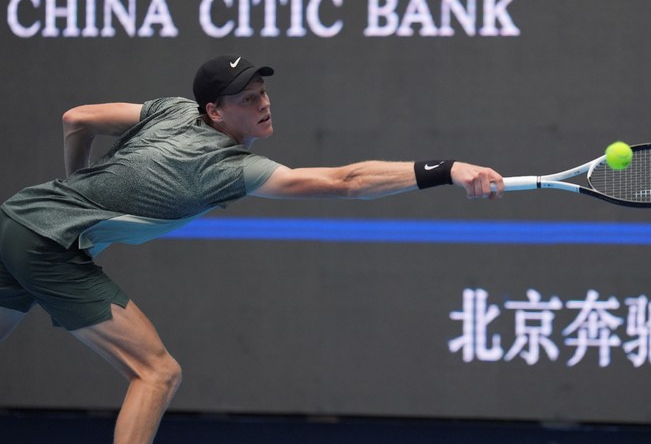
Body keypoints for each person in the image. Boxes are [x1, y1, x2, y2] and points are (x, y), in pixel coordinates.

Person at [0, 54, 504, 443]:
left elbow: (77, 117)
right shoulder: (223, 168)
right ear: (214, 111)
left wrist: (75, 194)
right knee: (156, 372)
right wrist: (449, 170)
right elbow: (347, 181)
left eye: (261, 93)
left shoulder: (171, 111)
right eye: (246, 99)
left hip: (13, 219)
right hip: (46, 245)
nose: (262, 104)